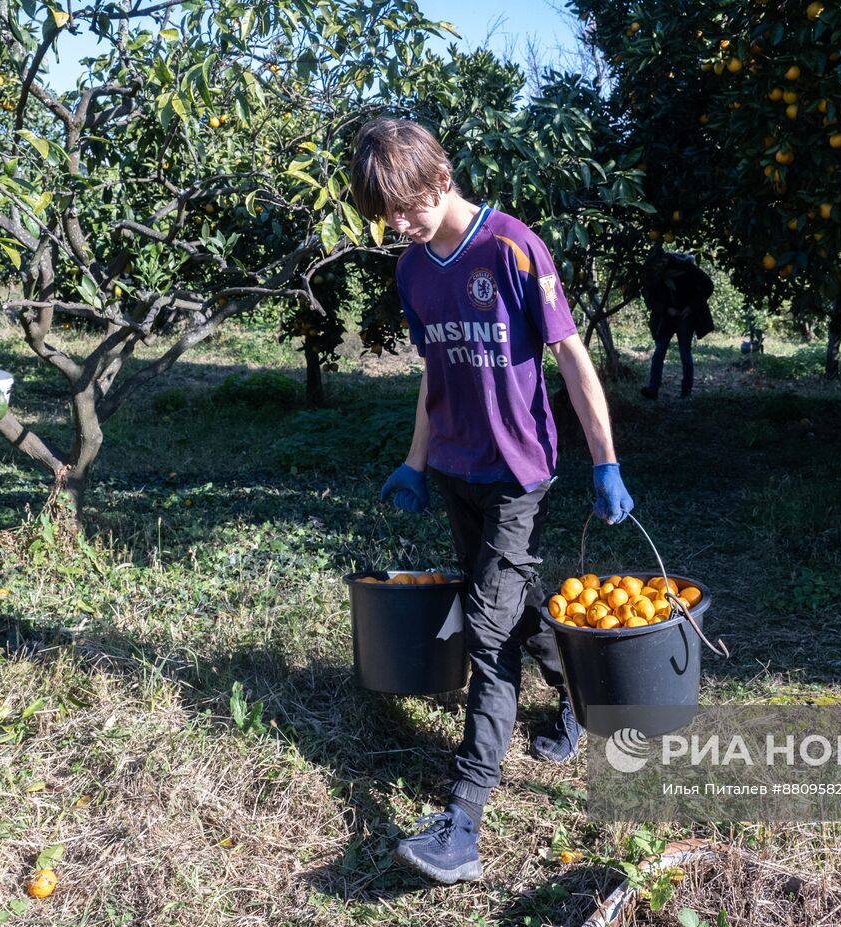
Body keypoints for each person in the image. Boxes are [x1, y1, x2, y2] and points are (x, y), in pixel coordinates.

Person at [348, 117, 634, 885]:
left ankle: (464, 820)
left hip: (516, 472)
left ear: (440, 180)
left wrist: (605, 460)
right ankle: (579, 696)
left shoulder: (512, 247)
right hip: (454, 467)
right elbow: (432, 373)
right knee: (509, 598)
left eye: (405, 208)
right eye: (386, 217)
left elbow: (570, 356)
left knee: (487, 626)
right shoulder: (413, 270)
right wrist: (415, 461)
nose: (397, 227)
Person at [640, 245, 715, 400]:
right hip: (666, 317)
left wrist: (691, 307)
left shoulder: (685, 268)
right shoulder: (651, 274)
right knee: (659, 351)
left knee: (684, 353)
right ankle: (653, 389)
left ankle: (686, 391)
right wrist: (667, 309)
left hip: (684, 317)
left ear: (665, 259)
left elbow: (708, 285)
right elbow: (650, 299)